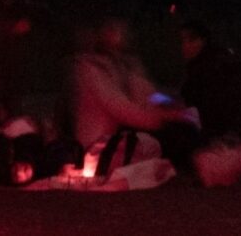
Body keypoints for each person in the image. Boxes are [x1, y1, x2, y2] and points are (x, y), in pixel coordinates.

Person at [64, 18, 183, 166]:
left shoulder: (124, 63)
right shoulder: (89, 68)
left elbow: (147, 92)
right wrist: (160, 118)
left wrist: (170, 103)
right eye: (112, 29)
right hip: (98, 146)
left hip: (122, 136)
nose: (120, 34)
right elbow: (120, 107)